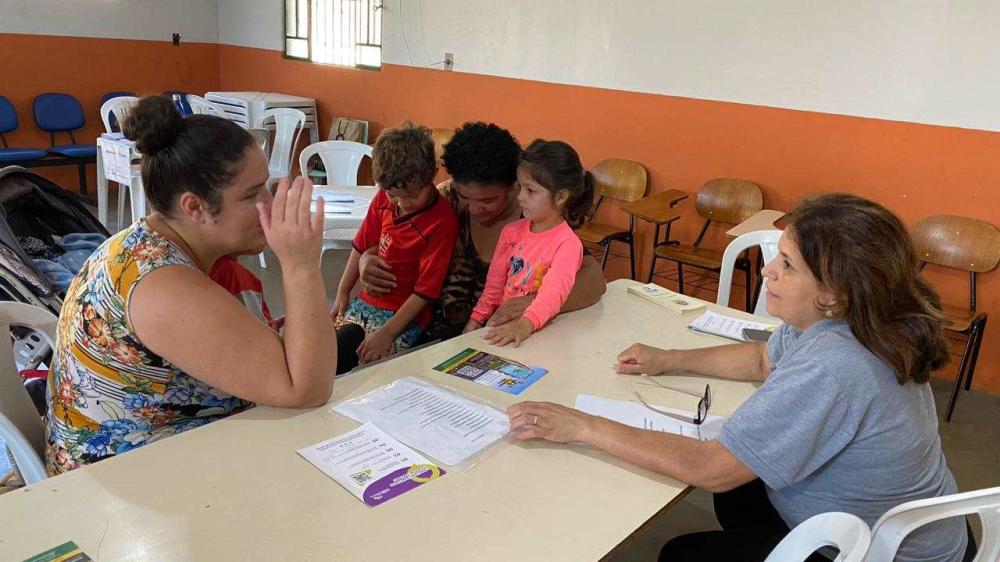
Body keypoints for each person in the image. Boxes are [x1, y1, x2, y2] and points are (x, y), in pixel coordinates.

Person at [506, 193, 969, 562]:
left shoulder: (836, 364)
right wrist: (668, 358)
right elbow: (761, 363)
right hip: (908, 526)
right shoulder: (857, 317)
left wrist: (581, 426)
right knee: (741, 493)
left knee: (682, 552)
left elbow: (710, 468)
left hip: (879, 550)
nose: (768, 268)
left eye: (787, 264)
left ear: (833, 292)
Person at [45, 96, 336, 474]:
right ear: (195, 207)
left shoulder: (149, 245)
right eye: (252, 194)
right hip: (125, 481)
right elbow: (308, 390)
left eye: (267, 186)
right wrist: (300, 266)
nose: (269, 204)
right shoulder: (163, 285)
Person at [358, 122, 606, 342]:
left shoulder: (534, 221)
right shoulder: (442, 202)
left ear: (514, 186)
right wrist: (366, 259)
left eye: (488, 200)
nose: (474, 209)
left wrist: (535, 304)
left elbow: (595, 281)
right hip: (429, 335)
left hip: (498, 338)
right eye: (465, 196)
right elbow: (387, 238)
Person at [331, 123, 458, 372]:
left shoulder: (442, 221)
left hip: (404, 316)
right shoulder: (381, 199)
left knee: (371, 370)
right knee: (332, 353)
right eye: (393, 196)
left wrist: (387, 333)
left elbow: (426, 292)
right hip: (366, 301)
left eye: (411, 196)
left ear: (432, 174)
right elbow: (360, 245)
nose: (402, 203)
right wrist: (342, 292)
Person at [463, 139, 594, 347]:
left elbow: (553, 295)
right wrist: (476, 319)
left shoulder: (568, 244)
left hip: (539, 333)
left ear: (560, 197)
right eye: (520, 188)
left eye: (530, 191)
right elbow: (494, 285)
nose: (520, 198)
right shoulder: (511, 232)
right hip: (506, 328)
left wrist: (525, 325)